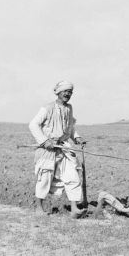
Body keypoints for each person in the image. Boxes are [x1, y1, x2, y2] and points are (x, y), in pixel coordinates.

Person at [28, 80, 86, 218]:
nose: (68, 94)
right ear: (58, 92)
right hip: (48, 150)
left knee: (72, 176)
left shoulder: (69, 108)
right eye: (66, 91)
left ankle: (74, 209)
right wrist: (44, 141)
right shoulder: (47, 108)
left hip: (64, 148)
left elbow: (70, 127)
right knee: (44, 178)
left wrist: (76, 138)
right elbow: (33, 125)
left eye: (70, 92)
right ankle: (38, 208)